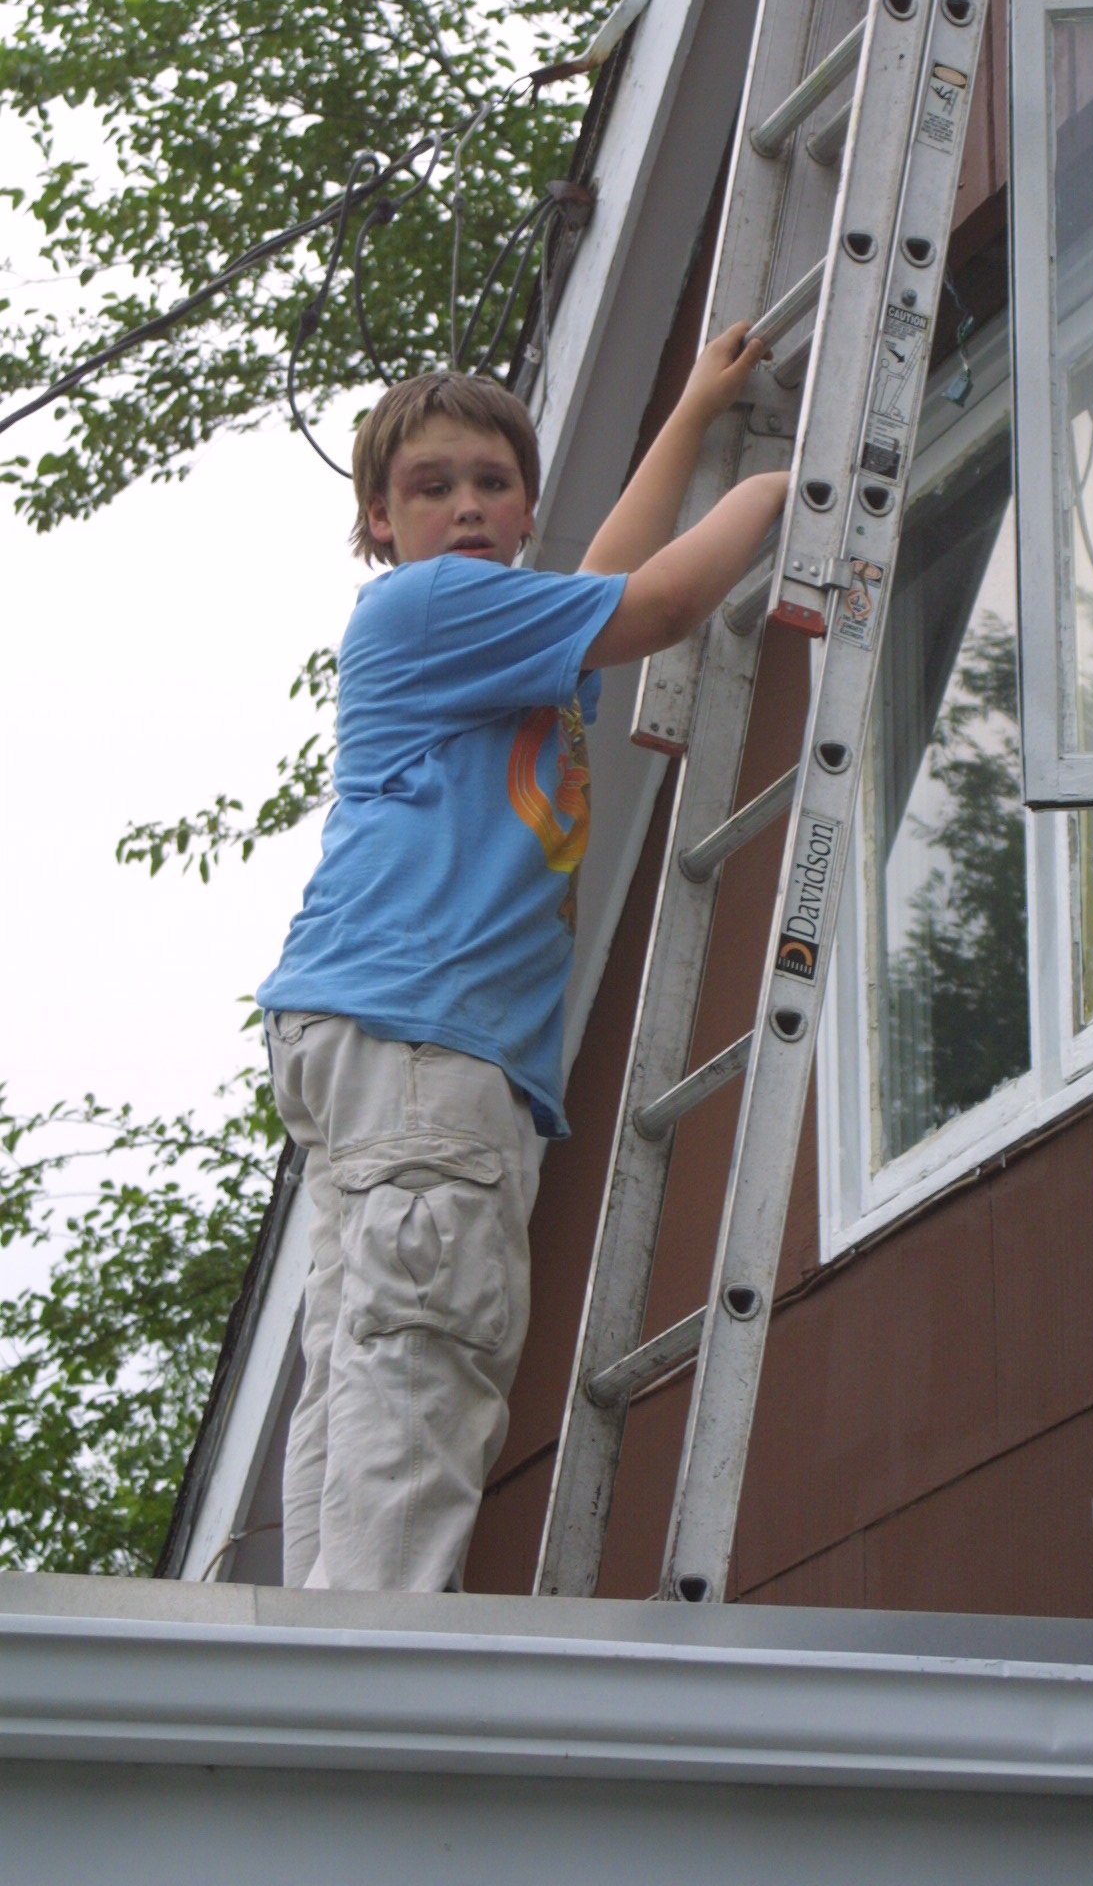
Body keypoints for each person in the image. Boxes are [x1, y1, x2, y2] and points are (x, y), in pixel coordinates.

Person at [257, 321, 785, 1593]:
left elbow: (611, 569)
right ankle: (373, 1664)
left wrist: (692, 416)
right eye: (431, 487)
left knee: (366, 1354)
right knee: (420, 1363)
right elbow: (659, 602)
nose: (467, 507)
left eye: (493, 484)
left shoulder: (506, 640)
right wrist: (787, 483)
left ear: (527, 509)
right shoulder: (430, 607)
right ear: (378, 523)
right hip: (426, 1036)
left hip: (376, 1030)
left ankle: (323, 1648)